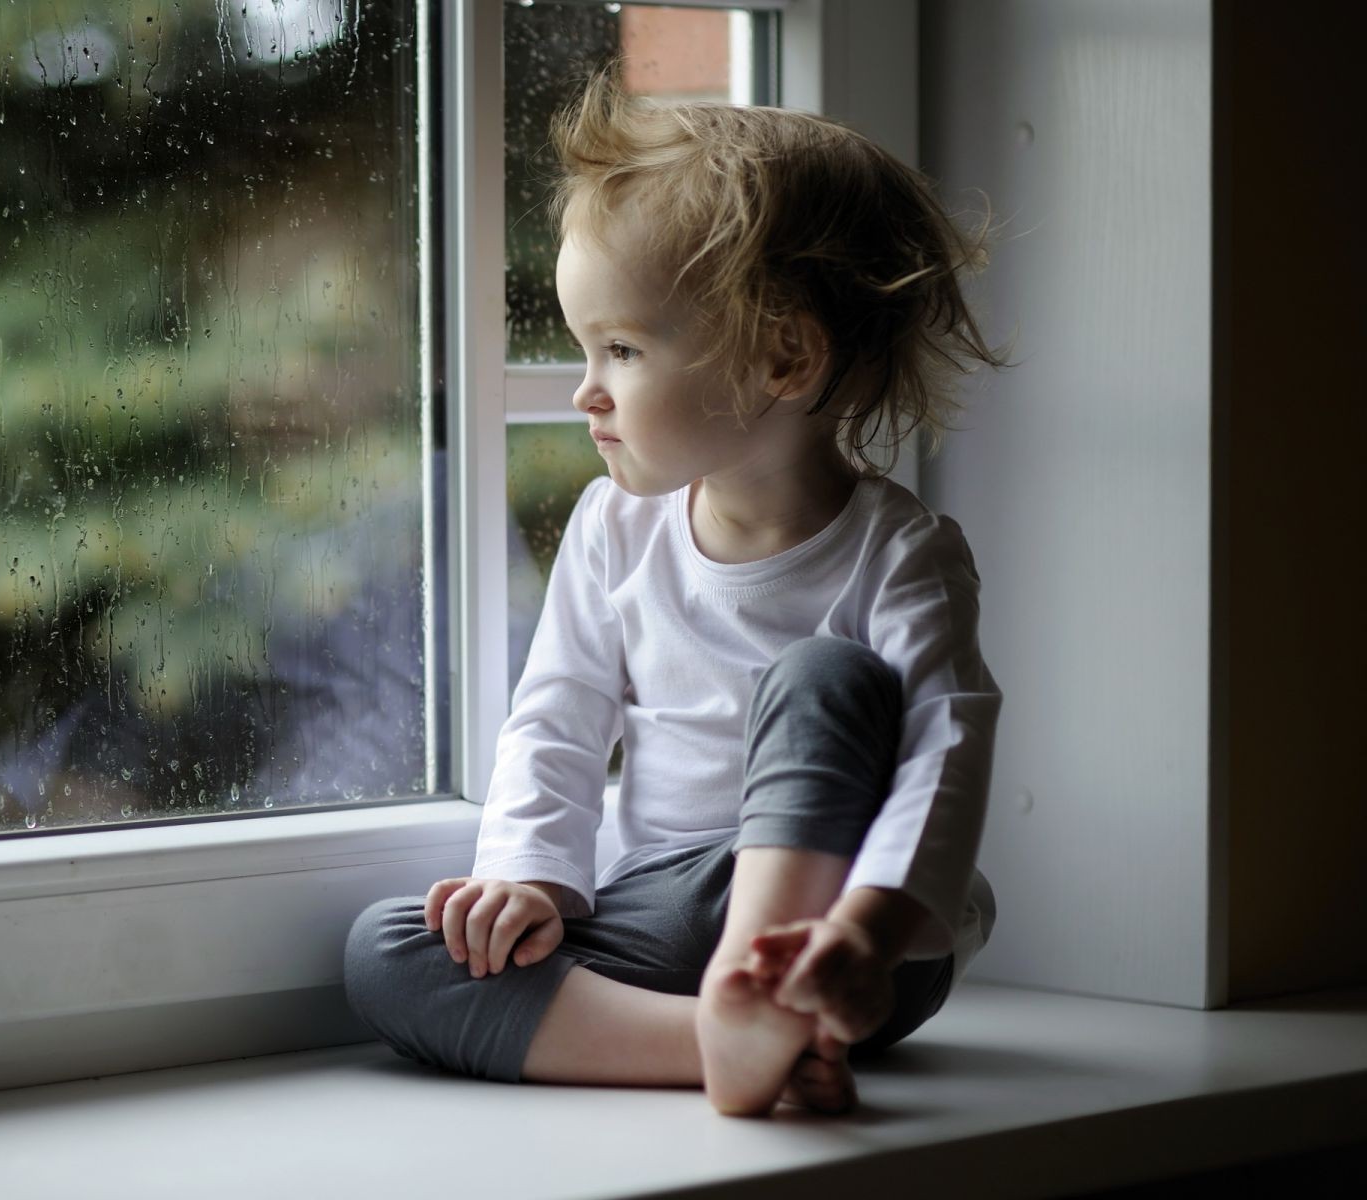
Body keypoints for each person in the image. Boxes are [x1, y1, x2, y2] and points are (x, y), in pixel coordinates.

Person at [342, 73, 1007, 1118]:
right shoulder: (615, 531)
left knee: (825, 675)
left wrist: (865, 934)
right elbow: (555, 720)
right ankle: (724, 1041)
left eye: (622, 349)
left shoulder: (901, 551)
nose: (584, 390)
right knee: (390, 950)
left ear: (783, 356)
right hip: (667, 909)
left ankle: (773, 994)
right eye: (581, 348)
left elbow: (945, 755)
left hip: (849, 932)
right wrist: (531, 878)